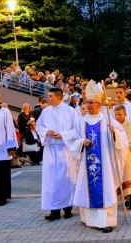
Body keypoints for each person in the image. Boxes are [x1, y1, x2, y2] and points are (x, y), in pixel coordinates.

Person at [61, 80, 129, 233]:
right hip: (87, 164)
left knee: (105, 190)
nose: (89, 105)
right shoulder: (81, 122)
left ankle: (106, 222)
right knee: (88, 190)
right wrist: (81, 142)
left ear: (99, 104)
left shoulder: (107, 120)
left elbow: (122, 141)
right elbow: (71, 139)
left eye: (92, 102)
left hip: (105, 166)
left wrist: (114, 134)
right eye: (87, 102)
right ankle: (89, 219)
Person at [36, 88, 79, 221]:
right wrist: (45, 132)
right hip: (50, 150)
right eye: (48, 96)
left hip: (65, 150)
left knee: (66, 180)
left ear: (59, 97)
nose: (48, 98)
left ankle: (67, 209)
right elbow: (38, 126)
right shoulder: (46, 111)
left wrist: (63, 135)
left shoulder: (70, 111)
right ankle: (54, 210)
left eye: (51, 96)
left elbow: (77, 129)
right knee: (51, 182)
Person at [114, 105, 131, 210]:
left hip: (126, 157)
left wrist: (122, 145)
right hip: (116, 157)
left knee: (129, 177)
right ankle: (125, 198)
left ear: (125, 114)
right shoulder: (112, 125)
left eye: (120, 114)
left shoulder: (129, 126)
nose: (117, 117)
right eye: (116, 115)